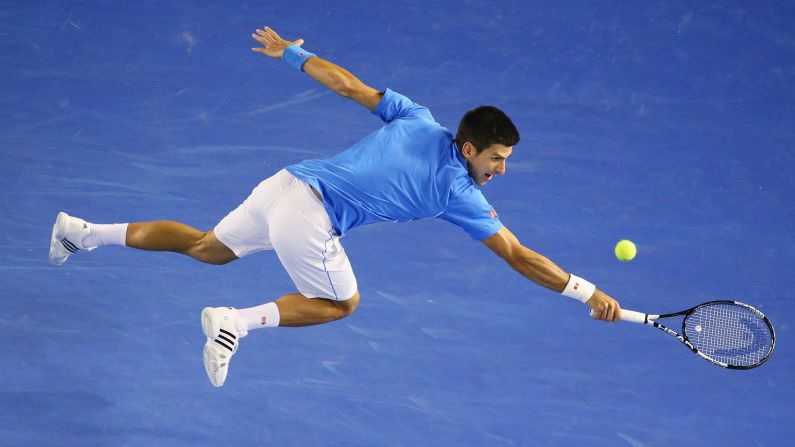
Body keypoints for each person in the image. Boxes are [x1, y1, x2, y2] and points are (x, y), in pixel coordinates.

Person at [49, 25, 622, 388]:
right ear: (470, 149)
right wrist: (587, 291)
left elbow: (349, 86)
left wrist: (292, 53)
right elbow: (519, 257)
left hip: (283, 184)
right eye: (497, 157)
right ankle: (235, 323)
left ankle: (81, 232)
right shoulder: (460, 193)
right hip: (313, 217)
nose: (502, 170)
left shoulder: (419, 117)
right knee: (341, 304)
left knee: (208, 248)